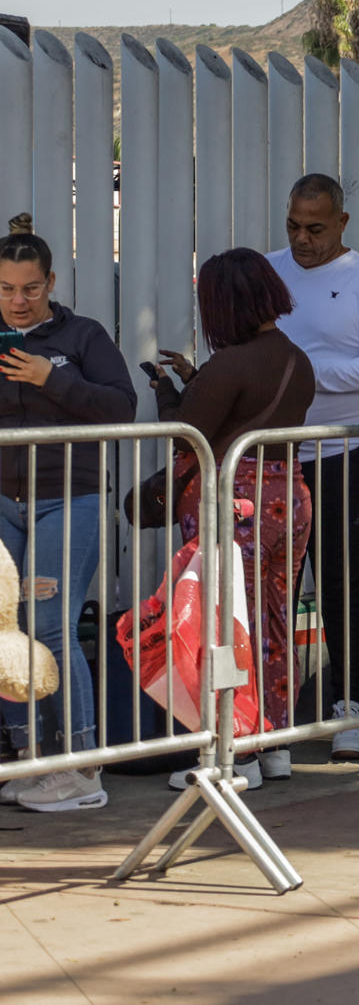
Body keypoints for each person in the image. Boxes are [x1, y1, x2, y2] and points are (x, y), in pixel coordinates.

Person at [150, 248, 317, 785]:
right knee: (271, 624)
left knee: (225, 627)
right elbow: (247, 405)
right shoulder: (296, 358)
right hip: (288, 498)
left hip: (233, 503)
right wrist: (196, 380)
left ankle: (232, 753)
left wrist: (170, 393)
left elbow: (188, 436)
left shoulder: (231, 364)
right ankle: (274, 743)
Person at [266, 174, 359, 763]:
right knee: (269, 588)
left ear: (343, 223)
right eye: (294, 226)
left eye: (316, 228)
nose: (303, 239)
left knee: (342, 583)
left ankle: (351, 707)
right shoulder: (268, 270)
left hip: (341, 452)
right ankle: (269, 714)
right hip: (271, 454)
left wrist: (310, 376)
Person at [0, 215, 137, 812]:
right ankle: (29, 760)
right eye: (5, 289)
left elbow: (122, 408)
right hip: (5, 501)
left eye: (30, 288)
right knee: (8, 635)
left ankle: (81, 768)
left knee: (53, 627)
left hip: (69, 495)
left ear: (50, 282)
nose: (18, 301)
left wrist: (51, 378)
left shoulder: (82, 337)